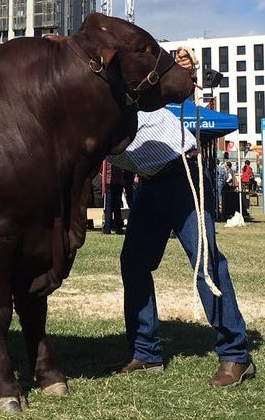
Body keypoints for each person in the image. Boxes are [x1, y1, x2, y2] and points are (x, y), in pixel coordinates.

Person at [106, 47, 255, 387]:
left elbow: (173, 73)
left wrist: (183, 65)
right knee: (134, 262)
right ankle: (146, 352)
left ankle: (236, 355)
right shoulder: (81, 112)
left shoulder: (127, 80)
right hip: (150, 183)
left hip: (183, 172)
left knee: (206, 263)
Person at [102, 160, 125, 235]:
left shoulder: (107, 157)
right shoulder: (120, 156)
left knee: (108, 207)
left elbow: (103, 169)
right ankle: (118, 228)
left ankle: (107, 228)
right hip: (119, 182)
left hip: (109, 182)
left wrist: (103, 186)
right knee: (117, 206)